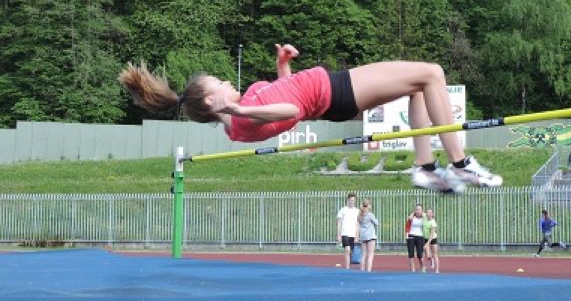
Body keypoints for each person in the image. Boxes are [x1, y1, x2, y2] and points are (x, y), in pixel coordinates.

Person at [119, 44, 502, 193]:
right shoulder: (243, 116)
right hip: (337, 90)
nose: (227, 82)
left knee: (418, 88)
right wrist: (237, 108)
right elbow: (291, 111)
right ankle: (460, 164)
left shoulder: (244, 115)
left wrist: (282, 66)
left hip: (330, 94)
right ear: (211, 100)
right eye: (220, 83)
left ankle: (426, 168)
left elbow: (285, 100)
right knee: (432, 73)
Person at [336, 192, 360, 269]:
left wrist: (357, 236)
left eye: (353, 200)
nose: (352, 202)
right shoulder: (343, 210)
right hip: (345, 233)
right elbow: (339, 223)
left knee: (350, 251)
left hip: (353, 234)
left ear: (355, 201)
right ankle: (347, 267)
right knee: (347, 249)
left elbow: (357, 224)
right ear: (348, 200)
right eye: (350, 200)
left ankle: (349, 264)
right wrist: (338, 235)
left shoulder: (357, 211)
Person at [357, 199, 380, 272]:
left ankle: (362, 270)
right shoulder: (370, 214)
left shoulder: (360, 215)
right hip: (370, 236)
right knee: (370, 254)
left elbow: (358, 222)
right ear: (368, 205)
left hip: (363, 236)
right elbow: (377, 223)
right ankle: (368, 270)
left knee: (364, 254)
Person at [406, 204, 426, 272]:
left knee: (420, 254)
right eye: (416, 209)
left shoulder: (424, 218)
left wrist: (424, 215)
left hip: (420, 236)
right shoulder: (412, 217)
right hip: (411, 235)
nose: (418, 211)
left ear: (422, 211)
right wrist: (407, 235)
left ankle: (422, 266)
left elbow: (430, 219)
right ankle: (413, 269)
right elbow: (408, 223)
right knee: (411, 254)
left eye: (419, 209)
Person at [423, 207, 440, 274]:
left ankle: (437, 270)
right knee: (427, 256)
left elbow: (432, 235)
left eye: (430, 212)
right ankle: (431, 260)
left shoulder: (433, 222)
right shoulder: (424, 218)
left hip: (433, 239)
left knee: (435, 254)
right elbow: (418, 212)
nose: (428, 213)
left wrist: (427, 243)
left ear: (432, 214)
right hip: (425, 238)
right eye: (427, 212)